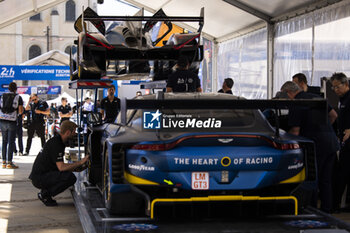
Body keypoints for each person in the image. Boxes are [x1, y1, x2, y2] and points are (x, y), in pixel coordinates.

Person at [281, 81, 339, 213]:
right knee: (326, 179)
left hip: (315, 145)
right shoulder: (316, 97)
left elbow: (295, 131)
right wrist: (323, 128)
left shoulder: (297, 103)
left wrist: (282, 138)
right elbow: (334, 115)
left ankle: (311, 210)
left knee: (312, 178)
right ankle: (326, 210)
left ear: (288, 93)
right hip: (331, 143)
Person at [29, 120, 90, 206]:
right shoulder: (56, 144)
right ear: (68, 132)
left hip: (42, 175)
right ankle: (45, 194)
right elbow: (61, 167)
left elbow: (60, 166)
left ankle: (45, 193)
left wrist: (77, 168)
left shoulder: (58, 141)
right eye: (74, 132)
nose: (75, 134)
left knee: (67, 174)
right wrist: (80, 162)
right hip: (39, 178)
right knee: (70, 178)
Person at [330, 72, 350, 211]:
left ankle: (337, 204)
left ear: (346, 84)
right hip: (343, 138)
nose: (336, 90)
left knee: (343, 171)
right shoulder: (342, 99)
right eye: (333, 88)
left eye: (338, 87)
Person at [0, 82, 23, 168]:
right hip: (12, 121)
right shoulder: (18, 97)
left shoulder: (2, 96)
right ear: (15, 88)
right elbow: (20, 111)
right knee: (11, 141)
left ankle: (3, 162)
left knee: (4, 141)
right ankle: (9, 162)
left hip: (2, 120)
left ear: (8, 88)